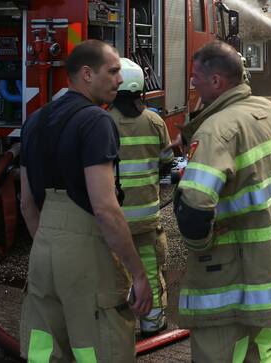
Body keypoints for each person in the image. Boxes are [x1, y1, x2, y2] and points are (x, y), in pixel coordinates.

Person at [19, 40, 152, 363]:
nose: (120, 81)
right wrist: (138, 273)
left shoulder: (34, 121)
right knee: (100, 343)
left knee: (46, 346)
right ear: (87, 74)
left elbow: (26, 202)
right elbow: (105, 208)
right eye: (114, 71)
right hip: (83, 248)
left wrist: (50, 244)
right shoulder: (96, 121)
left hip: (44, 248)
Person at [174, 41, 271, 362]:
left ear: (216, 82)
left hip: (228, 276)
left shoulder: (217, 130)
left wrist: (200, 246)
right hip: (266, 267)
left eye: (196, 76)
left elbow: (194, 207)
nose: (192, 83)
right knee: (260, 352)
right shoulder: (264, 110)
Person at [108, 58, 175, 336]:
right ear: (141, 90)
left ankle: (117, 330)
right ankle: (153, 323)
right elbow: (167, 163)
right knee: (149, 269)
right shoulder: (155, 121)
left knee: (114, 275)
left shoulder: (103, 121)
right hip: (147, 217)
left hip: (113, 219)